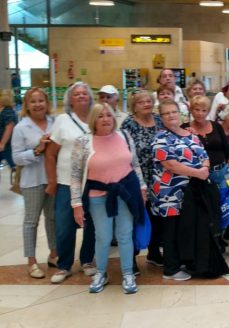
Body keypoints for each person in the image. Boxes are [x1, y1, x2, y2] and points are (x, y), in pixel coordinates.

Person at [70, 103, 146, 294]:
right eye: (100, 116)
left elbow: (135, 164)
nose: (106, 119)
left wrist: (142, 188)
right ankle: (101, 273)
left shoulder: (124, 136)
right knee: (103, 236)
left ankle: (128, 273)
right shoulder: (83, 141)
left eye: (109, 115)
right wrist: (76, 203)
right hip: (97, 196)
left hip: (125, 193)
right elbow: (76, 175)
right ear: (93, 120)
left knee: (125, 235)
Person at [150, 100, 211, 281]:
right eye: (166, 113)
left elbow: (204, 155)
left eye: (174, 111)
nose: (171, 115)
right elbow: (170, 165)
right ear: (161, 118)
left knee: (185, 229)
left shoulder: (191, 135)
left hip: (191, 193)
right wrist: (198, 173)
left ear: (180, 113)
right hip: (169, 193)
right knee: (171, 230)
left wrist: (205, 168)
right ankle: (171, 269)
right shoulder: (160, 138)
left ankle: (183, 260)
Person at [45, 82, 96, 284]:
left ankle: (87, 260)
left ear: (90, 98)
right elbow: (50, 154)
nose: (81, 96)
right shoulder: (62, 120)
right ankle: (64, 265)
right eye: (77, 94)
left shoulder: (96, 118)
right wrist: (52, 181)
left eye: (85, 93)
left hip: (93, 181)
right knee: (64, 226)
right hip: (67, 182)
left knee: (92, 224)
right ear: (70, 100)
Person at [11, 87, 57, 279]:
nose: (38, 105)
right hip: (32, 181)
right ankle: (31, 261)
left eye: (41, 100)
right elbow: (16, 158)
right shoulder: (21, 128)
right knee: (31, 221)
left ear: (46, 103)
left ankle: (54, 254)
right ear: (27, 105)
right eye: (33, 101)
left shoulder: (55, 122)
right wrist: (37, 150)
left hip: (53, 178)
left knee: (52, 218)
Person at [120, 90, 164, 267]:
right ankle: (131, 257)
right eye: (141, 102)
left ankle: (154, 252)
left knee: (156, 216)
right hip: (136, 177)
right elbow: (123, 151)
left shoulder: (159, 120)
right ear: (134, 106)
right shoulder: (128, 123)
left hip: (158, 177)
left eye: (149, 101)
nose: (146, 104)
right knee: (135, 216)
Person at [184, 96, 229, 189]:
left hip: (223, 172)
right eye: (197, 109)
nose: (200, 113)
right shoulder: (184, 128)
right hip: (200, 176)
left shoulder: (216, 126)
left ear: (208, 111)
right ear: (191, 109)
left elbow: (227, 150)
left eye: (204, 110)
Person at [0, 89, 18, 175]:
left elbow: (9, 127)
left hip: (7, 146)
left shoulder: (7, 112)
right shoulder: (6, 111)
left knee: (14, 164)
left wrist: (2, 144)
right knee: (13, 164)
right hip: (6, 146)